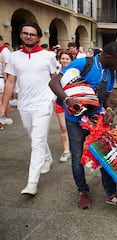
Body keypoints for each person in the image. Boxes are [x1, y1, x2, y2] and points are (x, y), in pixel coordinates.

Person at [49, 41, 117, 209]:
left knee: (105, 156)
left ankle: (111, 193)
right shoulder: (83, 63)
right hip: (75, 121)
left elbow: (106, 96)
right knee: (77, 157)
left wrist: (108, 108)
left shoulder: (112, 72)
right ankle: (82, 191)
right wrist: (67, 99)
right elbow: (54, 83)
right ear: (108, 57)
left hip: (96, 120)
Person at [0, 22, 57, 195]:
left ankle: (32, 182)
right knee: (34, 136)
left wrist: (59, 98)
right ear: (21, 35)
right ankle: (47, 158)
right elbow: (10, 81)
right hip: (24, 104)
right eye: (25, 33)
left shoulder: (48, 56)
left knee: (37, 141)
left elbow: (54, 78)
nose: (28, 36)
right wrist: (3, 104)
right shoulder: (14, 57)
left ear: (38, 37)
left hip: (44, 103)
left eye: (32, 34)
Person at [55, 49, 75, 162]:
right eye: (62, 58)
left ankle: (77, 148)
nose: (64, 60)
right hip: (59, 103)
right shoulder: (56, 72)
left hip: (72, 103)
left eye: (67, 58)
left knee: (76, 127)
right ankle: (66, 150)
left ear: (71, 60)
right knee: (63, 127)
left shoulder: (75, 72)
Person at [0, 35, 13, 128]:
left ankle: (7, 118)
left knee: (3, 99)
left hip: (2, 78)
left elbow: (8, 66)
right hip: (2, 78)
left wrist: (6, 79)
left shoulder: (5, 51)